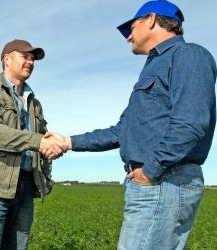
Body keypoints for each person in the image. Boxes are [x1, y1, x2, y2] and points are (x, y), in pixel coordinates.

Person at [47, 0, 217, 249]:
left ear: (151, 19)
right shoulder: (155, 67)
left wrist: (151, 171)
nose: (128, 37)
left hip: (165, 181)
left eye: (130, 27)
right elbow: (121, 131)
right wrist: (69, 142)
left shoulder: (188, 55)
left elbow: (190, 123)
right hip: (156, 182)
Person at [0, 39, 57, 249]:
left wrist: (50, 151)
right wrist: (38, 141)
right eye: (25, 56)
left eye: (33, 58)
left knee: (18, 246)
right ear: (7, 59)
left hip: (25, 184)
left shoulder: (34, 103)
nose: (31, 62)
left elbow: (41, 142)